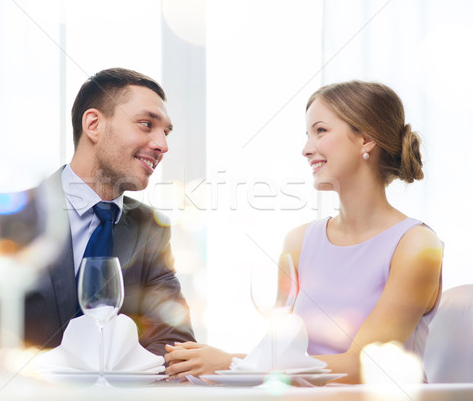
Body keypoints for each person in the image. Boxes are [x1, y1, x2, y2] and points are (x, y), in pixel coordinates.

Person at [0, 68, 196, 375]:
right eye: (146, 124)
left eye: (165, 132)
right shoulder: (5, 217)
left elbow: (174, 347)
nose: (162, 146)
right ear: (93, 124)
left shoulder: (152, 229)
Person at [164, 80, 443, 384]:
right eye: (308, 134)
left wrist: (227, 363)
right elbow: (277, 352)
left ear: (366, 140)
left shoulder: (416, 246)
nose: (306, 149)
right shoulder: (298, 242)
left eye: (320, 131)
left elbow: (364, 366)